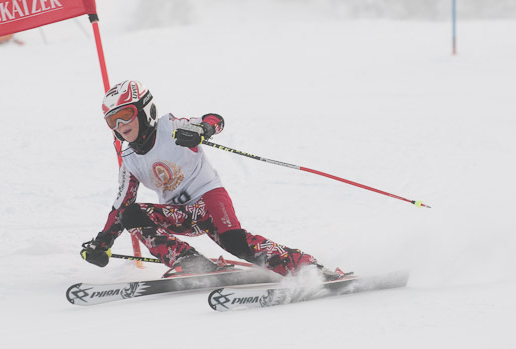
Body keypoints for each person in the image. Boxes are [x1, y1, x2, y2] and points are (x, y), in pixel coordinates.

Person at [81, 80, 342, 280]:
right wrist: (102, 242)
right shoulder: (129, 160)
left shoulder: (170, 127)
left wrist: (201, 130)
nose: (121, 124)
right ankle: (191, 263)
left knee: (236, 243)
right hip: (180, 215)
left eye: (125, 114)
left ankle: (307, 267)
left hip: (208, 200)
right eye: (112, 120)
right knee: (132, 214)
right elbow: (121, 206)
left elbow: (215, 120)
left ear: (144, 109)